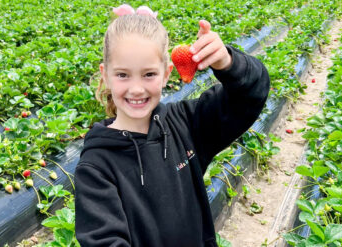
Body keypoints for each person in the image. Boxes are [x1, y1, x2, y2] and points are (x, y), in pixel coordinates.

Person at [74, 4, 270, 247]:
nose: (136, 88)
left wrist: (227, 63)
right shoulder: (96, 166)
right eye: (123, 75)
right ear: (105, 74)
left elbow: (251, 93)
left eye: (149, 74)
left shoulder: (186, 124)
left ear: (166, 74)